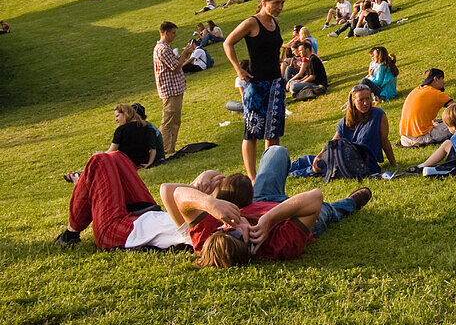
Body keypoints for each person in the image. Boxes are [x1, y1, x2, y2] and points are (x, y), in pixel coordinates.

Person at [162, 147, 372, 267]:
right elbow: (314, 198)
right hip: (292, 211)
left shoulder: (209, 241)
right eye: (236, 232)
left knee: (276, 152)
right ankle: (350, 203)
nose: (229, 225)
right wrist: (269, 219)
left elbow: (175, 193)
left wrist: (210, 203)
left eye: (224, 229)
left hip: (262, 199)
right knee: (329, 211)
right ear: (251, 248)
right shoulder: (280, 245)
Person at [55, 151, 205, 249]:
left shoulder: (202, 236)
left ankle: (71, 232)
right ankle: (84, 181)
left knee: (99, 160)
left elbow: (168, 191)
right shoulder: (220, 222)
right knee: (117, 156)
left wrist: (209, 200)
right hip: (146, 212)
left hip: (121, 231)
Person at [224, 0, 287, 180]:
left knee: (273, 132)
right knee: (251, 132)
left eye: (282, 3)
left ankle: (269, 173)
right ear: (264, 2)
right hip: (256, 85)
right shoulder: (251, 23)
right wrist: (238, 69)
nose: (280, 7)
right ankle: (252, 177)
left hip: (275, 84)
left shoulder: (275, 22)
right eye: (276, 3)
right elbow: (228, 43)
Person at [296, 88, 397, 177]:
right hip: (344, 156)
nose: (365, 103)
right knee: (307, 160)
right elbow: (334, 142)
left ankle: (298, 173)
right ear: (353, 102)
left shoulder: (378, 115)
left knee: (321, 166)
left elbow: (385, 142)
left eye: (368, 99)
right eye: (361, 100)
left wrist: (394, 164)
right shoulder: (345, 121)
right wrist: (319, 156)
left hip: (363, 162)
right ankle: (286, 168)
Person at [153, 21, 195, 157]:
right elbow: (176, 66)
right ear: (165, 33)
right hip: (170, 91)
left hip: (174, 89)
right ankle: (165, 149)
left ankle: (170, 148)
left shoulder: (164, 48)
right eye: (173, 33)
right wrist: (185, 52)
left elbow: (176, 63)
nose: (174, 36)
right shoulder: (163, 49)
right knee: (168, 121)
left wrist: (185, 54)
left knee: (175, 121)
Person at [398, 68, 454, 147]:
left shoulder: (415, 90)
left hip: (404, 140)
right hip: (422, 138)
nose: (444, 82)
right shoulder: (436, 93)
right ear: (436, 79)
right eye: (442, 78)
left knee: (441, 121)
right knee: (454, 122)